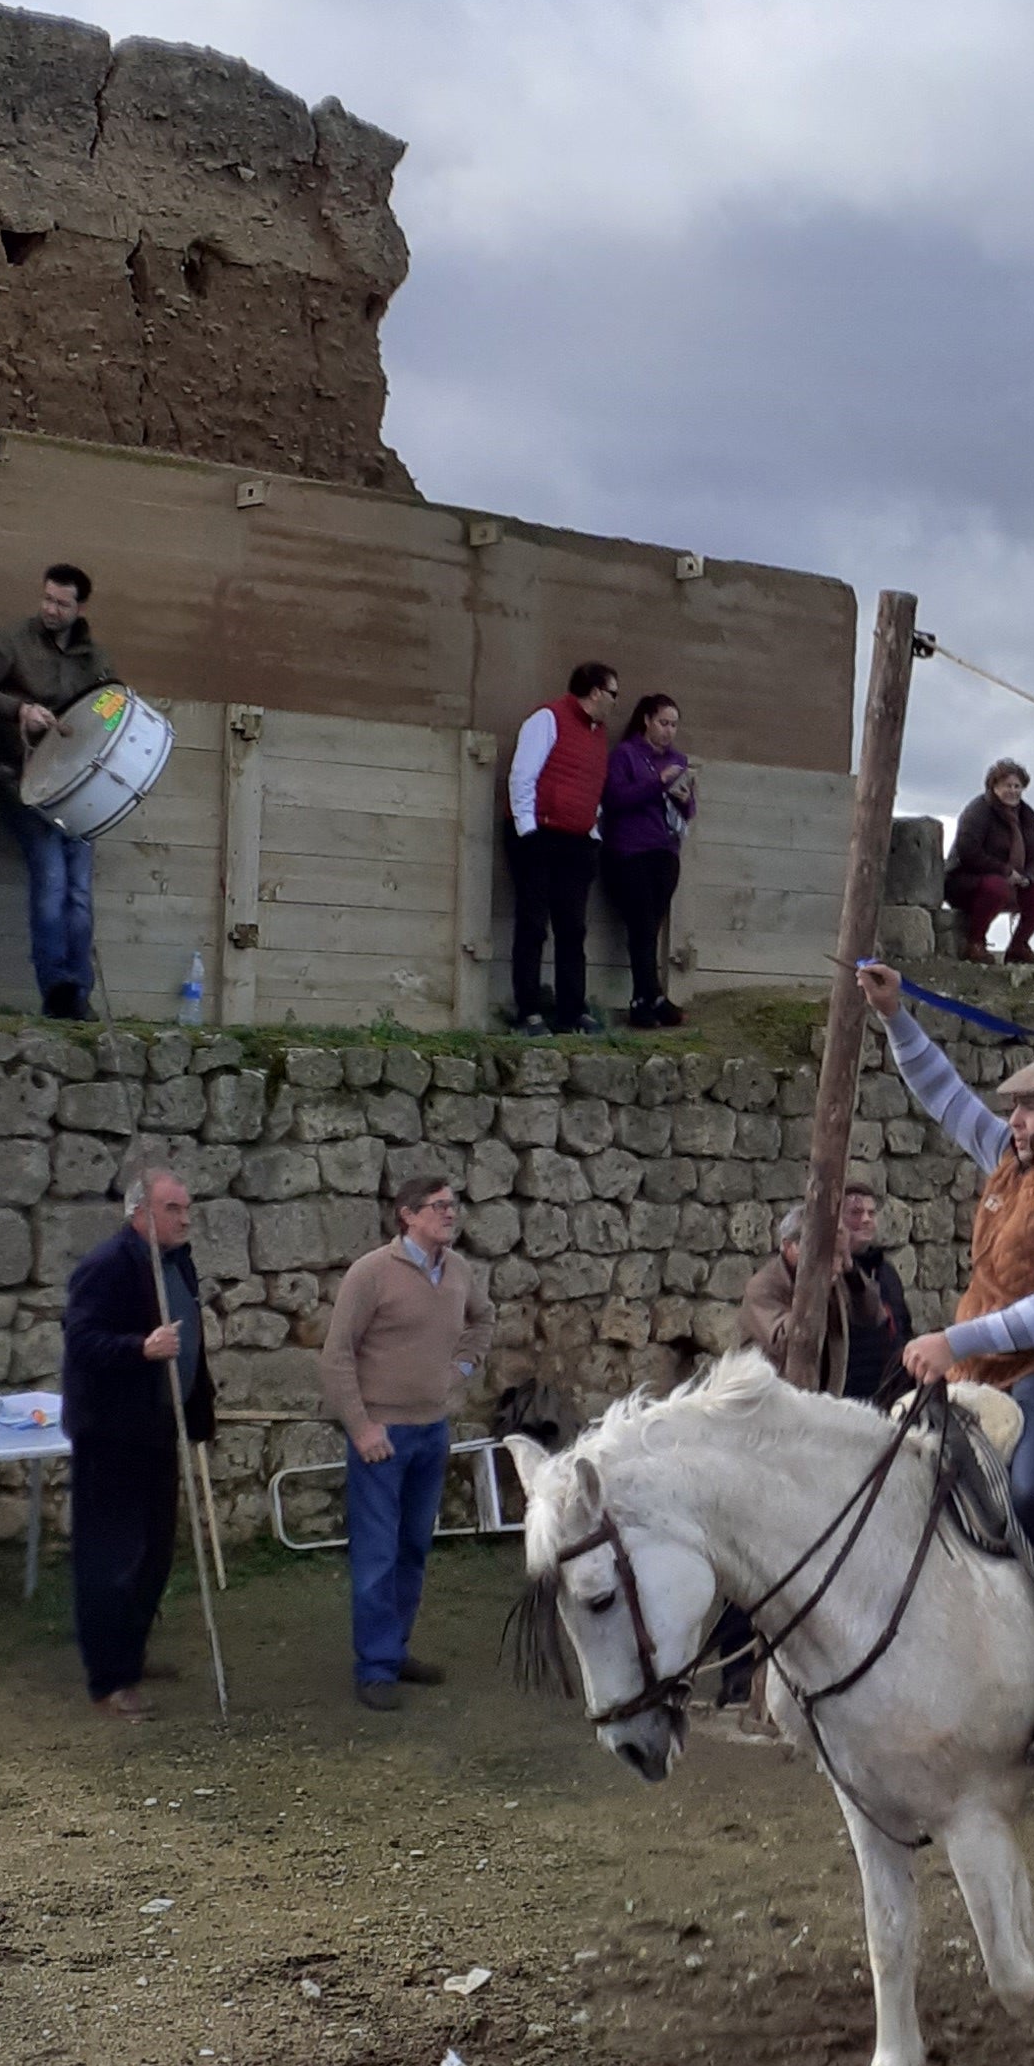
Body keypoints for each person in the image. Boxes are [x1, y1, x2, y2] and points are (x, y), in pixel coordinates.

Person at [856, 960, 1034, 1765]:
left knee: (1033, 1497)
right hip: (983, 1370)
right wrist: (895, 1018)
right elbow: (945, 1097)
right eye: (1013, 1108)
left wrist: (953, 1344)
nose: (1012, 1118)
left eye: (1030, 1106)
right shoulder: (1013, 1163)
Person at [318, 1161, 496, 1712]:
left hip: (430, 1430)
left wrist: (460, 1372)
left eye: (452, 1205)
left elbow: (483, 1321)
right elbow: (336, 1355)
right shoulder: (372, 1273)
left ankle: (394, 1650)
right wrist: (362, 1425)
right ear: (408, 1216)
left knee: (413, 1547)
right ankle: (374, 1667)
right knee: (376, 1553)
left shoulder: (459, 1270)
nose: (450, 1214)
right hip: (383, 1433)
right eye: (438, 1206)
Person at [59, 1143, 215, 1719]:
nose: (185, 1217)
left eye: (186, 1208)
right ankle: (109, 1678)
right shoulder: (107, 1265)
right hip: (112, 1435)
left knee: (154, 1553)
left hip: (158, 1429)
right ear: (141, 1213)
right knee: (111, 1556)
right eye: (174, 1208)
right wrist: (140, 1348)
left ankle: (133, 1651)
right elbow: (82, 1340)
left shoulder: (178, 1262)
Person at [0, 562, 115, 1018]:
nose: (50, 609)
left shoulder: (95, 658)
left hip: (79, 786)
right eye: (46, 599)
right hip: (25, 782)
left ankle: (79, 992)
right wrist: (19, 709)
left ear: (80, 608)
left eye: (62, 604)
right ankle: (56, 989)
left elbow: (109, 706)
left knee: (79, 894)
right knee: (51, 883)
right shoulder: (12, 642)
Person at [503, 657, 618, 1034]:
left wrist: (593, 834)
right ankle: (528, 1011)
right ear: (596, 692)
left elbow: (592, 787)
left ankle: (571, 1011)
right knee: (533, 925)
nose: (615, 703)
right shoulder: (548, 719)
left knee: (573, 929)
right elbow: (523, 774)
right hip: (541, 835)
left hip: (577, 840)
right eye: (613, 694)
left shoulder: (596, 733)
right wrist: (528, 830)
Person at [733, 1181, 914, 1402]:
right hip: (774, 1397)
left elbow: (872, 1315)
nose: (835, 1265)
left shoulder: (841, 1277)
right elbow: (785, 1340)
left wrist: (851, 1272)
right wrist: (815, 1293)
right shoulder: (765, 1286)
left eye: (838, 1256)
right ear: (790, 1247)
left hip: (829, 1394)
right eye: (827, 1255)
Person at [599, 689, 695, 1030]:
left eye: (674, 725)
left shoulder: (677, 760)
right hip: (630, 851)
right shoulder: (626, 755)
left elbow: (689, 809)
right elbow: (616, 798)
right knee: (640, 926)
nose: (669, 731)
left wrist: (683, 798)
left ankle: (650, 997)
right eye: (663, 723)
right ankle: (646, 998)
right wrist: (657, 783)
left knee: (651, 927)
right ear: (647, 721)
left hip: (664, 851)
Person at [943, 761, 1034, 965]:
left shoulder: (1027, 815)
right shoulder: (978, 811)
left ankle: (1018, 947)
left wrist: (1029, 877)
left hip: (1013, 881)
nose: (1013, 791)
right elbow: (968, 851)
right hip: (967, 881)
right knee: (997, 886)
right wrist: (1004, 871)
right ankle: (975, 943)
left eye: (1017, 786)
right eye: (1007, 786)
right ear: (994, 787)